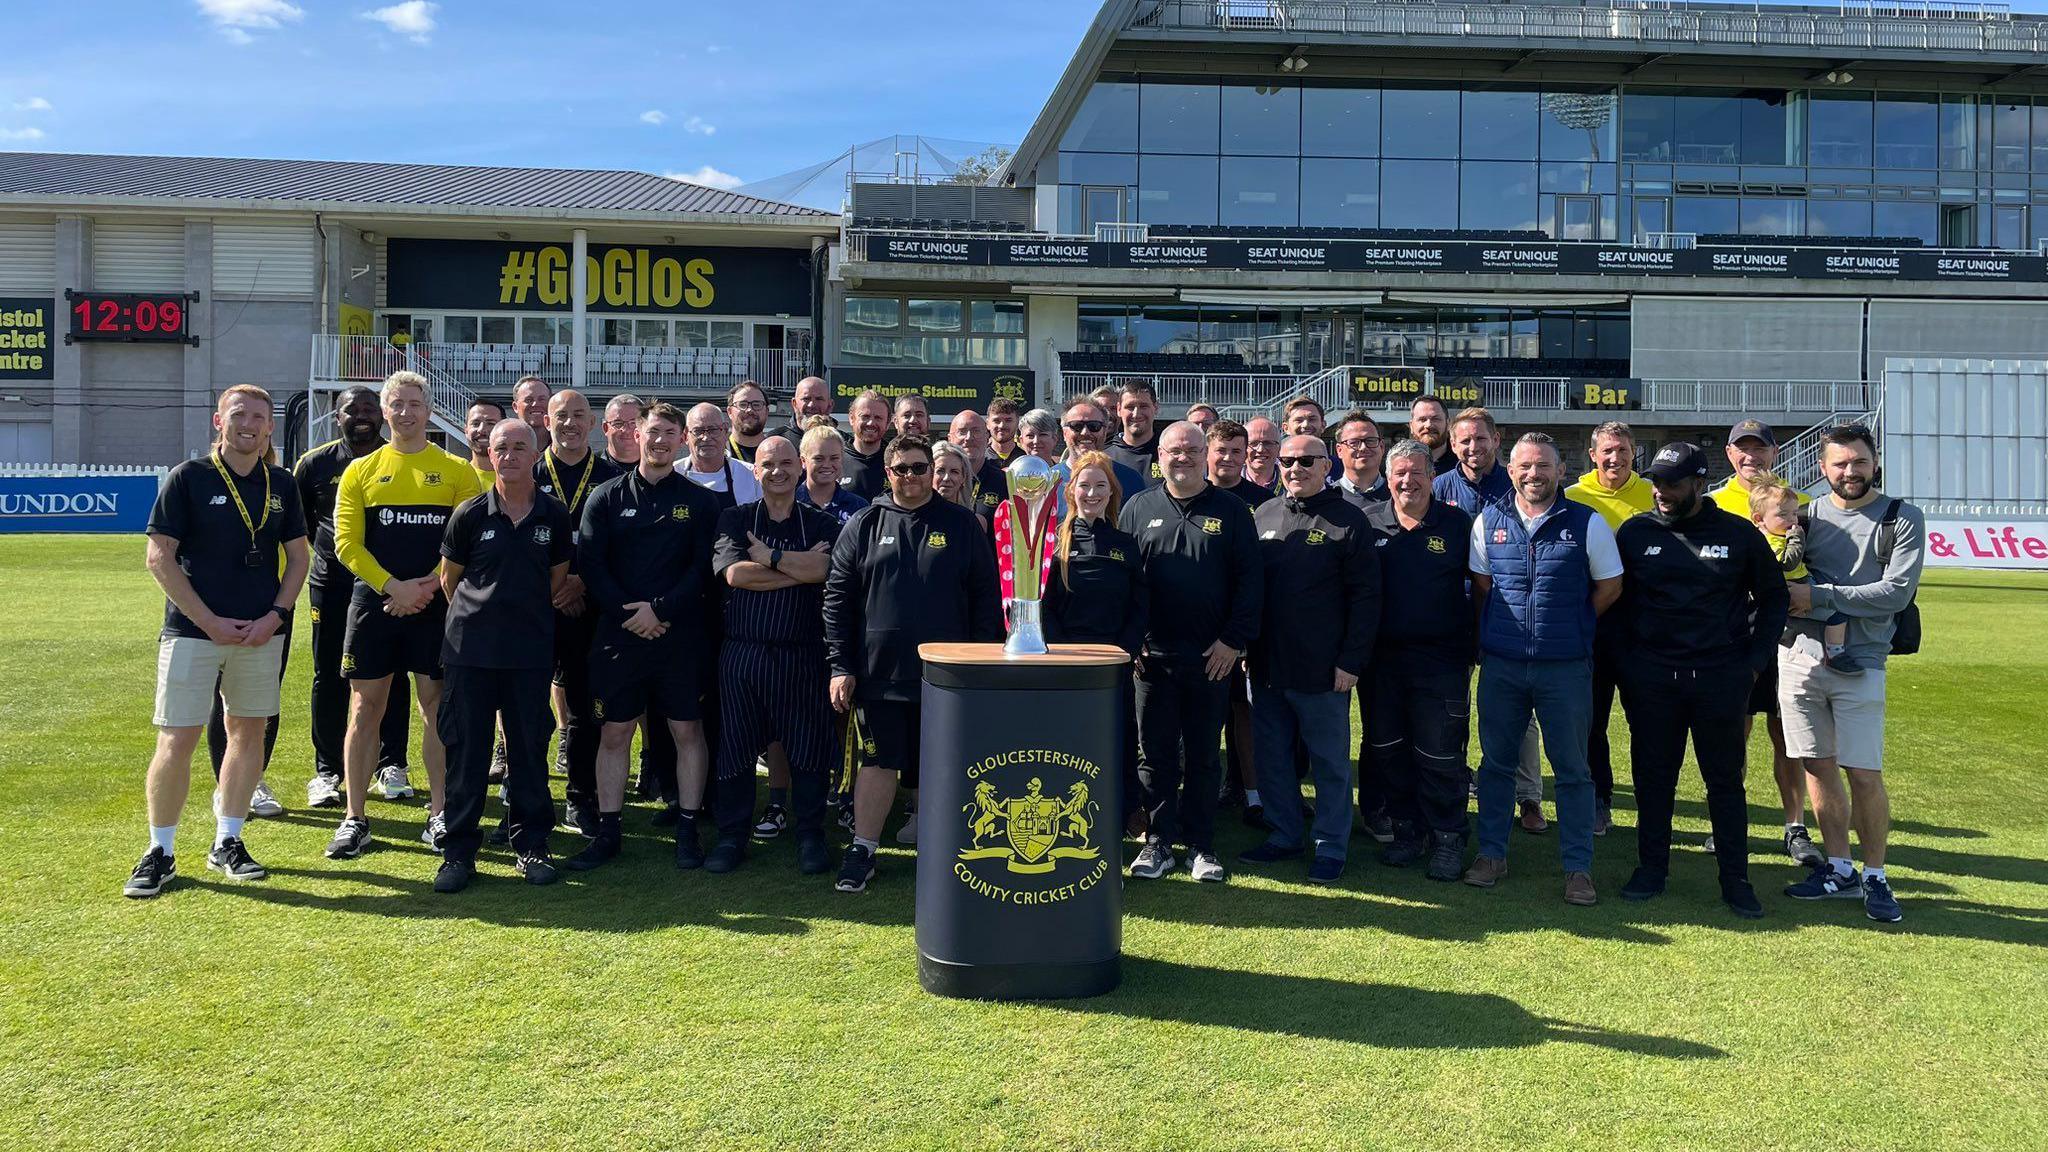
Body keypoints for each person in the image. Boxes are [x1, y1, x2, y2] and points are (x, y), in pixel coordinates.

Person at [125, 385, 310, 898]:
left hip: (258, 632)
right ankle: (159, 850)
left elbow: (298, 559)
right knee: (177, 738)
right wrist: (207, 620)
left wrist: (277, 615)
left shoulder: (282, 485)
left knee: (247, 734)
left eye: (259, 417)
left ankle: (228, 839)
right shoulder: (189, 478)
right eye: (238, 415)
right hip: (192, 632)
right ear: (218, 421)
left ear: (270, 427)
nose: (248, 424)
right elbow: (159, 556)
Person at [1615, 443, 1788, 918]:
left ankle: (1736, 880)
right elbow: (1615, 600)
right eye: (1656, 482)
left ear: (1698, 481)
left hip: (1720, 679)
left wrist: (1753, 662)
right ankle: (1652, 870)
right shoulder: (1634, 532)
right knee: (1653, 780)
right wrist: (1628, 663)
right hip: (1652, 680)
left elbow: (1774, 598)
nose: (1662, 491)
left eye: (1672, 482)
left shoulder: (1736, 534)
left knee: (1725, 783)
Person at [824, 435, 1002, 892]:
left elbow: (986, 601)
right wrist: (840, 666)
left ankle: (944, 852)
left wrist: (981, 665)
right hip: (879, 674)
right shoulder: (864, 523)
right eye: (901, 468)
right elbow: (837, 600)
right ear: (888, 473)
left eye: (919, 468)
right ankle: (863, 848)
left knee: (943, 765)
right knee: (878, 762)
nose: (912, 476)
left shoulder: (963, 526)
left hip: (948, 677)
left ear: (932, 471)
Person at [325, 371, 484, 861]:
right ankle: (355, 818)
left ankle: (438, 814)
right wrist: (393, 587)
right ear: (385, 409)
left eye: (416, 404)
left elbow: (464, 545)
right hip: (376, 602)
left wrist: (424, 588)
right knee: (364, 708)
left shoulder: (457, 470)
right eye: (397, 403)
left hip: (436, 604)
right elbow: (346, 543)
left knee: (435, 707)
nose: (407, 412)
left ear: (430, 409)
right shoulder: (360, 471)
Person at [1463, 432, 1623, 906]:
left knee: (1573, 770)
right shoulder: (1487, 521)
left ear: (1561, 471)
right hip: (1503, 666)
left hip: (1565, 669)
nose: (1534, 474)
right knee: (1495, 766)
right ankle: (1492, 854)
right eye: (1525, 467)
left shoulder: (1587, 522)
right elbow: (1483, 585)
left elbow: (1610, 586)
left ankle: (1578, 868)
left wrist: (1569, 625)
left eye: (1544, 466)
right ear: (1511, 471)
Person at [1780, 424, 1925, 923]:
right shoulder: (1804, 516)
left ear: (1874, 462)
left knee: (1863, 772)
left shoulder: (1900, 517)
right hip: (1797, 659)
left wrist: (1820, 597)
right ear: (1822, 469)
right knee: (1818, 765)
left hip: (1861, 662)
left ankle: (1875, 874)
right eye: (1839, 463)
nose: (1849, 472)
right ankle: (1839, 867)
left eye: (1859, 462)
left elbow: (1896, 593)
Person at [571, 401, 722, 871]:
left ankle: (688, 828)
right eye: (652, 432)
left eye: (668, 434)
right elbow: (592, 567)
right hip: (619, 636)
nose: (659, 441)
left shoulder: (700, 502)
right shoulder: (606, 497)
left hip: (679, 636)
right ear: (637, 435)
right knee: (614, 732)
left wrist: (659, 611)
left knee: (686, 730)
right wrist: (630, 613)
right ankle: (609, 831)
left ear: (681, 441)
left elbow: (702, 569)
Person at [433, 419, 573, 893]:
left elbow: (557, 580)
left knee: (529, 752)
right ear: (489, 455)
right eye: (501, 448)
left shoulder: (553, 515)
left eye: (519, 447)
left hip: (529, 652)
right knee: (468, 754)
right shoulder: (470, 513)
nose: (510, 456)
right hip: (470, 652)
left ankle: (531, 845)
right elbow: (449, 581)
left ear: (535, 453)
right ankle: (458, 853)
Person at [1119, 422, 1262, 884]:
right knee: (1154, 754)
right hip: (1151, 658)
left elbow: (1249, 583)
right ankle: (1159, 841)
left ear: (1206, 454)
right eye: (1173, 451)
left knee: (1204, 754)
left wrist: (1232, 641)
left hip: (1211, 659)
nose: (1182, 458)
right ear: (1159, 456)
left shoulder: (1233, 510)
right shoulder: (1138, 507)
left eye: (1191, 450)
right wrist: (1132, 639)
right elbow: (1123, 582)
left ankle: (1202, 845)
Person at [1240, 434, 1379, 883]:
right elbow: (1249, 591)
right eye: (1286, 461)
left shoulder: (1349, 520)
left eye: (1305, 460)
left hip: (1324, 671)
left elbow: (1366, 598)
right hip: (1266, 667)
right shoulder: (1264, 514)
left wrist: (1351, 661)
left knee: (1329, 763)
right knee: (1273, 759)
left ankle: (1330, 845)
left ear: (1326, 465)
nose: (1294, 468)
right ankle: (1284, 835)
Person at [706, 436, 842, 875]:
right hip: (743, 652)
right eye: (768, 464)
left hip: (803, 654)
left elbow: (826, 570)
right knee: (736, 748)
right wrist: (796, 570)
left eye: (787, 463)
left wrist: (772, 557)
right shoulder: (735, 518)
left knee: (807, 748)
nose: (778, 471)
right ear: (755, 470)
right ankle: (731, 836)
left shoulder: (820, 523)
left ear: (801, 468)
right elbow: (735, 574)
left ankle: (810, 835)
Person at [1709, 418, 1822, 867]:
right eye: (1743, 449)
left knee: (1788, 736)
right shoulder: (1712, 504)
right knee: (1732, 733)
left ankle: (1795, 827)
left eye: (1760, 448)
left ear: (1775, 452)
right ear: (1729, 453)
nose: (1750, 456)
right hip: (1732, 638)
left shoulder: (1804, 504)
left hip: (1790, 637)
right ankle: (1728, 821)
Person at [294, 385, 409, 812]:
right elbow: (306, 524)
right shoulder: (314, 464)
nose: (360, 416)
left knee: (392, 674)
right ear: (336, 416)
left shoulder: (397, 458)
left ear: (380, 415)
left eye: (367, 409)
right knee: (330, 677)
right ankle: (327, 772)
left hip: (386, 587)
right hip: (333, 586)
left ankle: (392, 764)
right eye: (350, 410)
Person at [1365, 440, 1476, 881]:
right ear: (1387, 478)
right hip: (1381, 664)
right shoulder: (1369, 522)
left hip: (1441, 663)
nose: (1407, 481)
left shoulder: (1457, 524)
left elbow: (1482, 587)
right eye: (1399, 474)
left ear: (1433, 477)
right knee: (1388, 752)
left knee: (1441, 756)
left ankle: (1448, 838)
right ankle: (1408, 832)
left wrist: (1473, 648)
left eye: (1417, 473)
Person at [1043, 451, 1147, 829]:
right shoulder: (1054, 541)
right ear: (1071, 491)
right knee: (1070, 743)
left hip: (1115, 661)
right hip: (1067, 662)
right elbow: (1045, 606)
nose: (1092, 493)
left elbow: (1140, 605)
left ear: (1111, 492)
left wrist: (1126, 650)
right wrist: (1063, 653)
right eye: (1084, 485)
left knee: (1118, 738)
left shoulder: (1125, 542)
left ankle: (1123, 812)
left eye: (1100, 486)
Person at [534, 389, 620, 835]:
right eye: (560, 415)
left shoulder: (610, 479)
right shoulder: (526, 474)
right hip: (537, 612)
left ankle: (580, 797)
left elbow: (618, 549)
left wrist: (580, 581)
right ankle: (528, 798)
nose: (569, 423)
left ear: (593, 424)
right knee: (529, 708)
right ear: (545, 422)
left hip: (588, 609)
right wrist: (553, 588)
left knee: (587, 711)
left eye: (578, 416)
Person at [1564, 420, 1654, 836]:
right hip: (1593, 625)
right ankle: (1599, 800)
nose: (1615, 458)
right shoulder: (1572, 497)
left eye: (1622, 450)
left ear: (1634, 452)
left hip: (1642, 630)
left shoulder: (1652, 495)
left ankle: (1651, 800)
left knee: (1647, 722)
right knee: (1592, 721)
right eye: (1607, 451)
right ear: (1593, 454)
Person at [1750, 478, 1858, 673]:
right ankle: (1835, 654)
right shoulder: (1770, 541)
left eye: (1794, 513)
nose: (1792, 520)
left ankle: (1788, 633)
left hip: (1796, 583)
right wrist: (1797, 539)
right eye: (1783, 514)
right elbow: (1788, 563)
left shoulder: (1774, 536)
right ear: (1759, 519)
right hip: (1791, 586)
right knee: (1837, 612)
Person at [1059, 398, 1146, 497]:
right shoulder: (1048, 481)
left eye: (1094, 426)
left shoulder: (1130, 480)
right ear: (1064, 433)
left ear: (1104, 432)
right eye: (1076, 426)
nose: (1085, 432)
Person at [684, 402, 764, 507]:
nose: (706, 438)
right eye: (698, 431)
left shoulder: (751, 476)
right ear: (686, 435)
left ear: (726, 431)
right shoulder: (673, 473)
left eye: (713, 430)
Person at [797, 421, 870, 525]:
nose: (827, 465)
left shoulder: (859, 507)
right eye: (818, 459)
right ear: (803, 461)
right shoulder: (790, 504)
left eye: (834, 458)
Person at [948, 408, 1008, 523]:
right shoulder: (937, 479)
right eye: (962, 431)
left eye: (976, 431)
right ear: (950, 439)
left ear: (987, 438)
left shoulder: (1003, 481)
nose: (969, 438)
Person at [1206, 419, 1272, 509]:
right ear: (1206, 453)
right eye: (1221, 451)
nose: (1228, 458)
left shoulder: (1265, 500)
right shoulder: (1190, 495)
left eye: (1236, 452)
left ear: (1245, 455)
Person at [1108, 380, 1162, 487]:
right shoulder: (1105, 457)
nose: (1136, 414)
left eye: (1143, 406)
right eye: (1130, 407)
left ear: (1155, 408)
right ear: (1119, 409)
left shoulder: (1170, 453)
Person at [841, 390, 891, 500]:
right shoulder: (836, 459)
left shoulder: (895, 461)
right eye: (865, 416)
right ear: (851, 418)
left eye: (878, 418)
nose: (871, 423)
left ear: (887, 423)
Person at [1332, 411, 1388, 508]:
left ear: (1382, 447)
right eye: (1354, 442)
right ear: (1339, 450)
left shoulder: (1399, 495)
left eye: (1370, 440)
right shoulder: (1328, 497)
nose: (1363, 447)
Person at [767, 375, 831, 445]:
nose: (811, 405)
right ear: (794, 404)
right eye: (806, 399)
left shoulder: (842, 443)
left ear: (830, 405)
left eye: (819, 399)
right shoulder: (773, 442)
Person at [1409, 394, 1456, 476]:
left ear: (1448, 424)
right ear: (1411, 426)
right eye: (1422, 419)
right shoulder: (1400, 463)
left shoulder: (1463, 465)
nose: (1428, 425)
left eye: (1436, 419)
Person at [726, 379, 772, 463]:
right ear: (730, 412)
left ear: (767, 412)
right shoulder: (719, 454)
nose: (749, 410)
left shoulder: (777, 453)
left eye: (756, 405)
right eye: (742, 404)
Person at [464, 399, 504, 484]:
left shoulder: (520, 478)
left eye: (491, 423)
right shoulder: (454, 475)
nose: (481, 430)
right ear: (466, 430)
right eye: (475, 424)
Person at [601, 393, 643, 469]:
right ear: (605, 428)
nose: (626, 430)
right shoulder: (588, 468)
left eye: (633, 423)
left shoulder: (659, 470)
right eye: (618, 423)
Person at [511, 375, 551, 450]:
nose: (535, 404)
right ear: (515, 407)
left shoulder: (564, 444)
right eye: (529, 400)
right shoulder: (506, 443)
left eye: (542, 399)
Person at [1242, 416, 1281, 490]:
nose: (1260, 449)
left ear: (1279, 448)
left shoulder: (1291, 486)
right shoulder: (1229, 484)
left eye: (1268, 443)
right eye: (1253, 443)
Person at [987, 397, 1023, 465]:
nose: (1002, 426)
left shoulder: (1026, 460)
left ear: (1017, 423)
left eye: (1008, 420)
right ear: (987, 424)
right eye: (996, 420)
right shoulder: (979, 460)